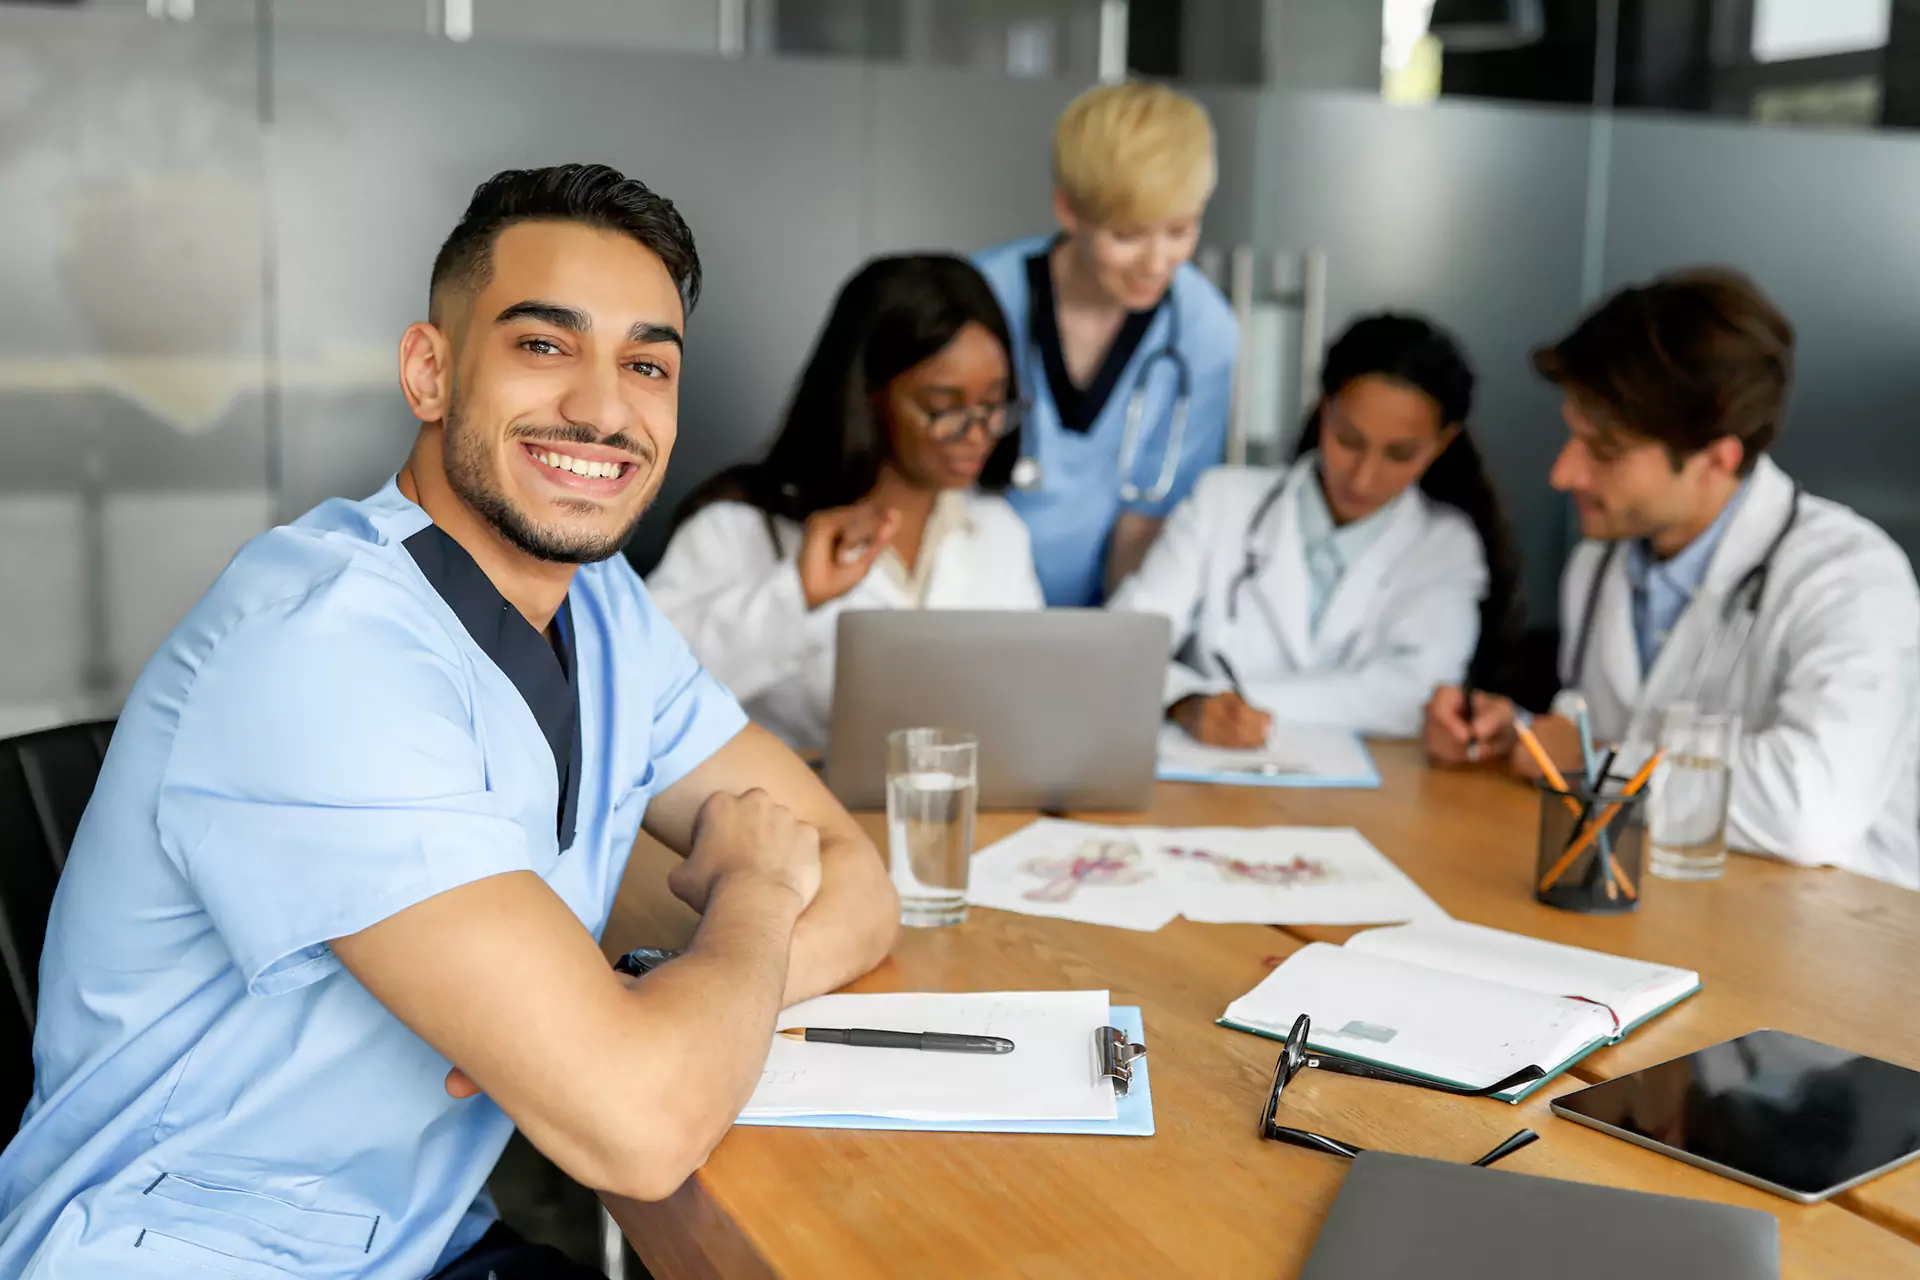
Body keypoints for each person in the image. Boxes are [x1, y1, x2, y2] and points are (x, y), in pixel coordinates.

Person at [0, 164, 899, 1279]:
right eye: (543, 345)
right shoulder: (321, 650)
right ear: (430, 370)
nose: (604, 407)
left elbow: (858, 878)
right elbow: (640, 1124)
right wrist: (746, 912)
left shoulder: (605, 605)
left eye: (647, 364)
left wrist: (652, 1011)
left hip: (413, 1239)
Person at [1424, 269, 1920, 890]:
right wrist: (1515, 731)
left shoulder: (1851, 581)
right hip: (1664, 913)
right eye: (1572, 437)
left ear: (1718, 458)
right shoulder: (1598, 566)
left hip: (1841, 939)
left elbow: (1808, 809)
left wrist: (1595, 761)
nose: (1563, 473)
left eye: (1603, 451)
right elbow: (1604, 738)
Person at [647, 255, 1044, 754]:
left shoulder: (998, 531)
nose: (978, 433)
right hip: (778, 816)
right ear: (869, 395)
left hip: (959, 816)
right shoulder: (738, 527)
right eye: (944, 408)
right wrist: (796, 596)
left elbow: (1028, 703)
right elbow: (642, 690)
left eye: (994, 403)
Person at [1111, 313, 1519, 743]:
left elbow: (1415, 696)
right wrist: (1183, 702)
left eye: (1399, 454)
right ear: (1325, 411)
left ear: (1443, 442)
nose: (1363, 477)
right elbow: (1123, 644)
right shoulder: (1222, 502)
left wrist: (1225, 697)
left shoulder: (1447, 545)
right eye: (1349, 440)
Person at [973, 80, 1237, 607]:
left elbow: (1148, 518)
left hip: (1103, 613)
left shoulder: (1204, 330)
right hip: (967, 598)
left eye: (1179, 230)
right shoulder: (979, 299)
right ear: (1068, 209)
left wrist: (1117, 643)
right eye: (1128, 236)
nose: (1157, 262)